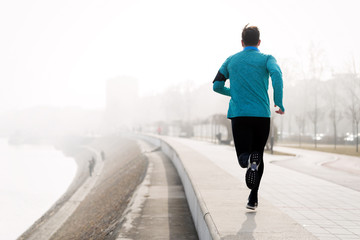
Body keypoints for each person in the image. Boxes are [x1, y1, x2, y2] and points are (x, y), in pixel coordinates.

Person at [212, 24, 285, 210]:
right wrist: (278, 101)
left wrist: (236, 92)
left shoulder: (231, 60)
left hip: (240, 115)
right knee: (258, 156)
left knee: (243, 156)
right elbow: (277, 74)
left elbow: (217, 86)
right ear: (259, 42)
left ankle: (246, 160)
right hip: (261, 115)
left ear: (242, 42)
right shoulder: (267, 58)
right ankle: (253, 198)